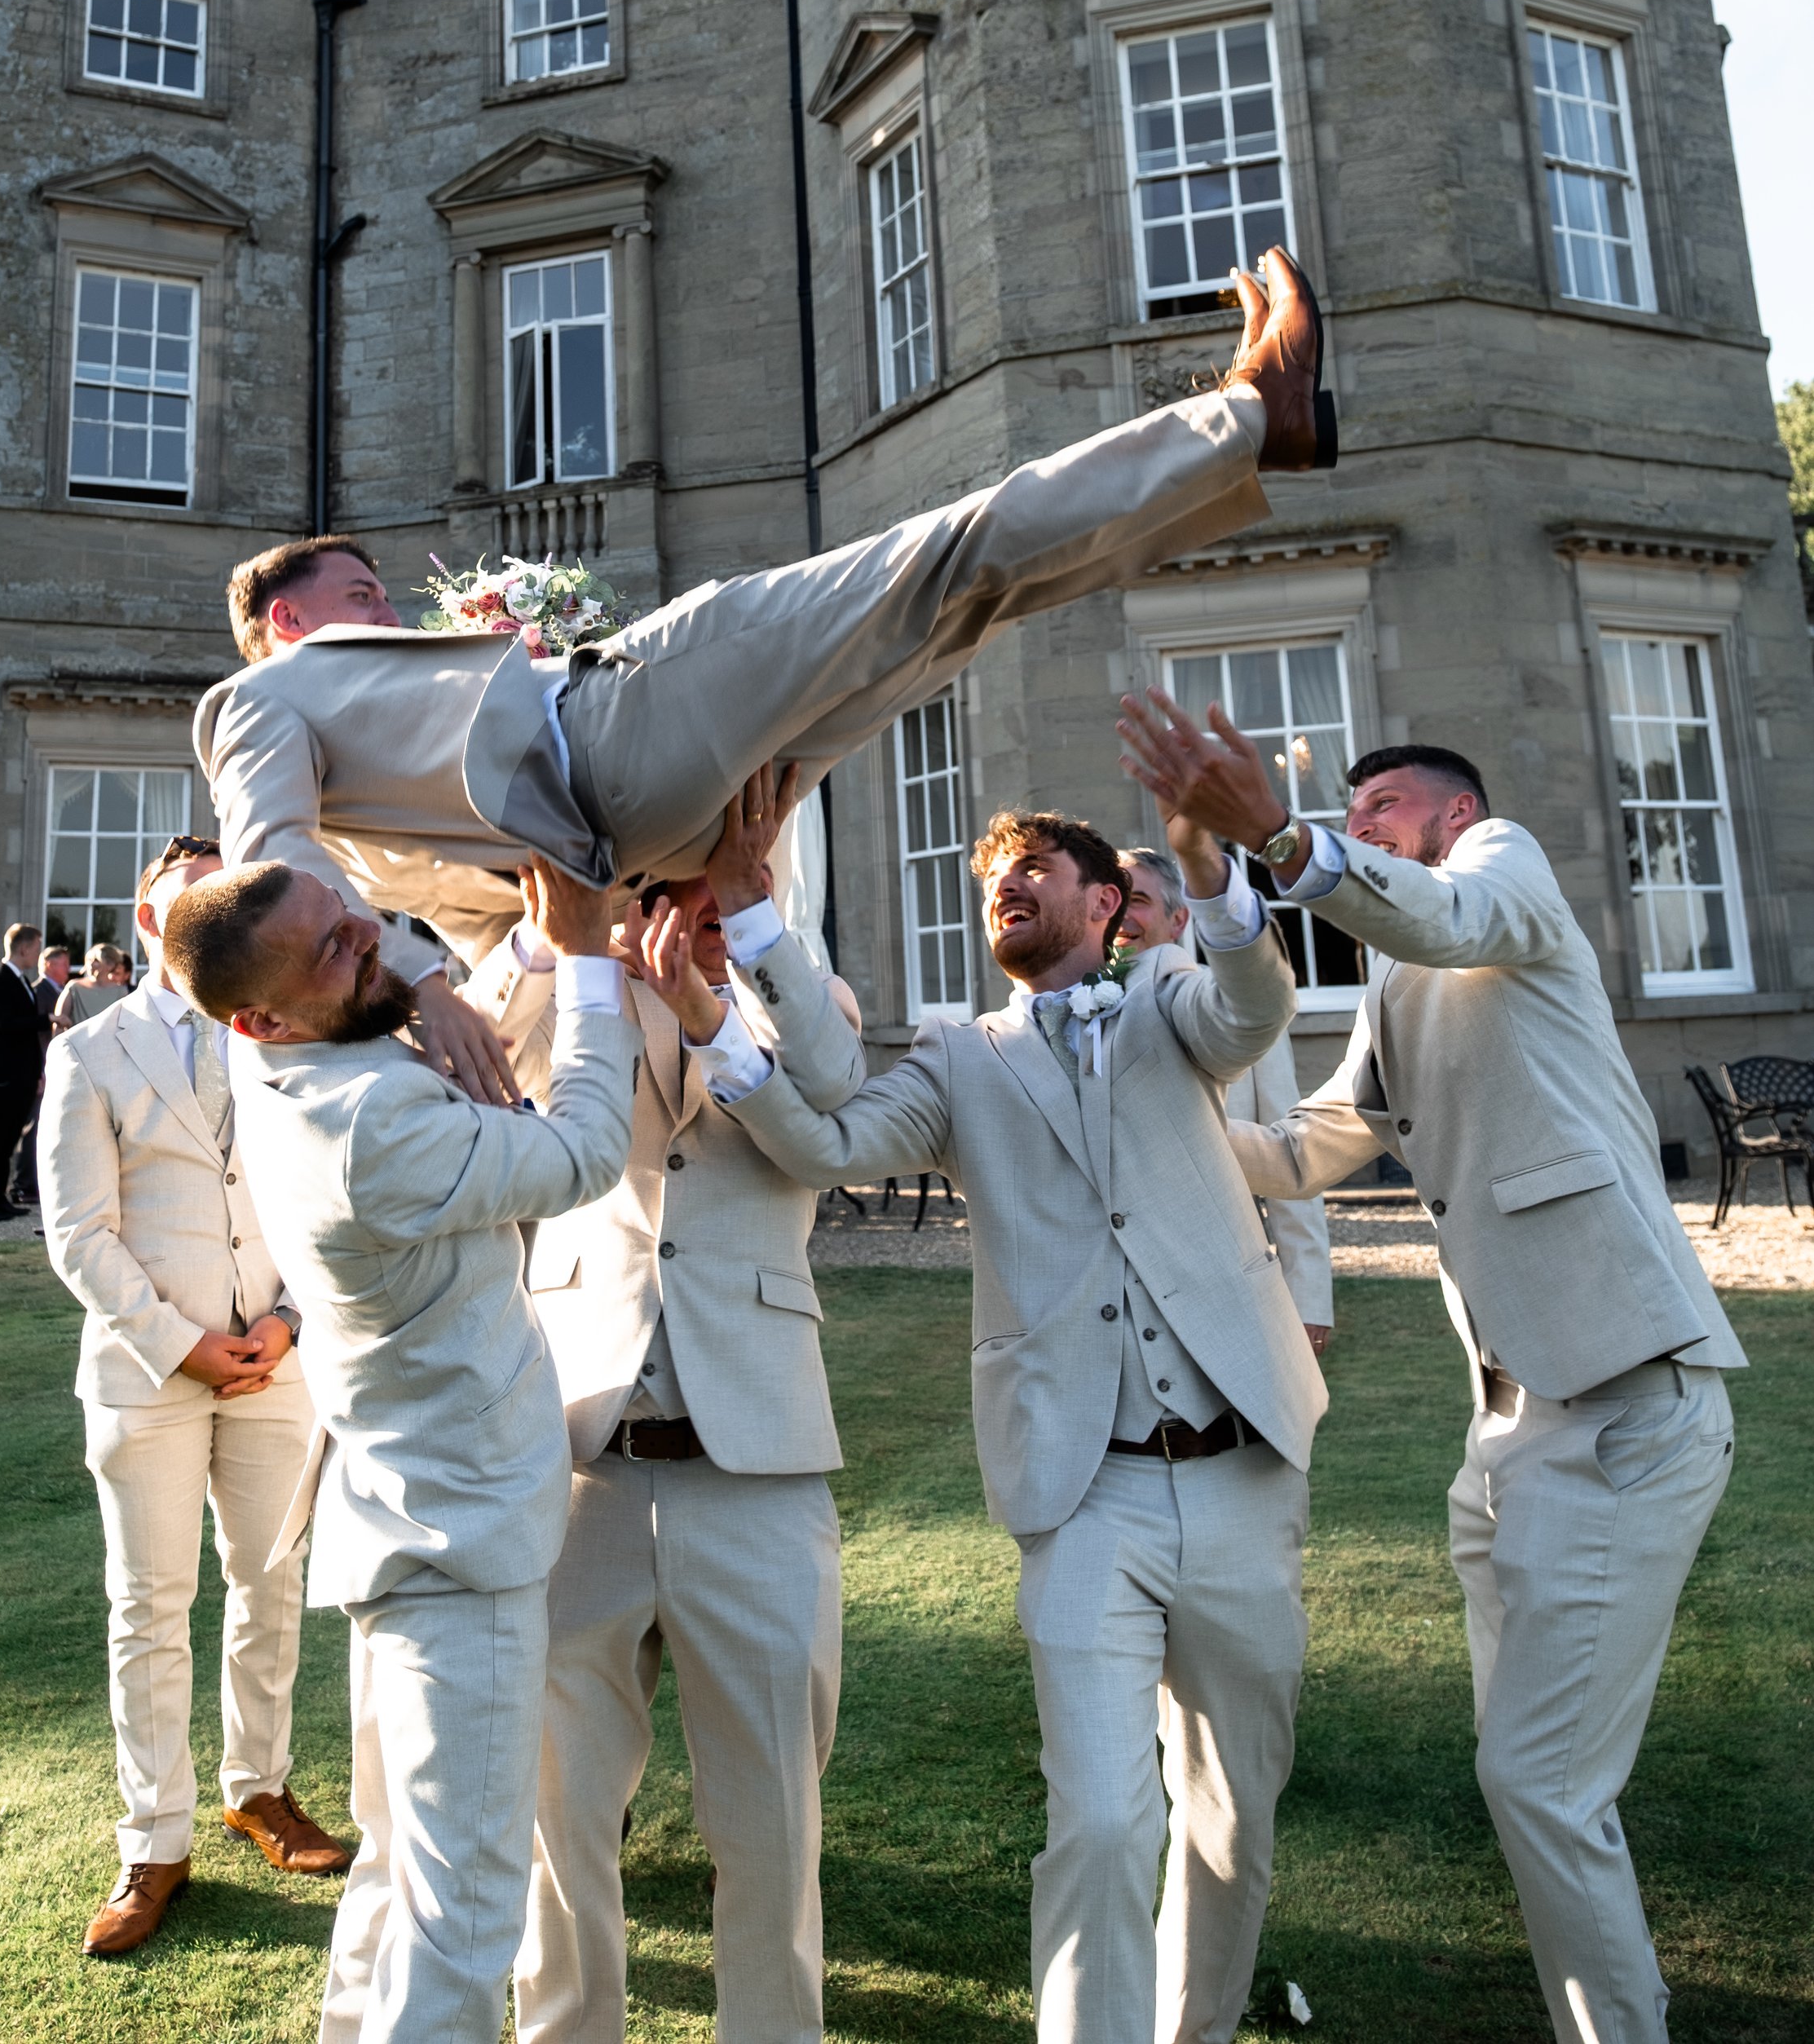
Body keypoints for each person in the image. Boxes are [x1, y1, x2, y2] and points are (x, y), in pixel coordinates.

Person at [198, 254, 1335, 1103]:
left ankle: (1241, 443)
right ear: (286, 619)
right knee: (936, 556)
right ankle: (1247, 413)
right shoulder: (258, 698)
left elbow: (503, 897)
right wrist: (412, 984)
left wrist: (675, 884)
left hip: (657, 826)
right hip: (616, 729)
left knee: (965, 604)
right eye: (361, 598)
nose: (388, 613)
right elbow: (266, 866)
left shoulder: (369, 828)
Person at [1116, 699, 1745, 2044]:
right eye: (1348, 820)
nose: (1359, 833)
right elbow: (1306, 1151)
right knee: (1543, 1780)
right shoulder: (1401, 980)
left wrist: (1278, 837)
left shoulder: (1503, 866)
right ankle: (1623, 1998)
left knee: (1538, 1782)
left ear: (1452, 813)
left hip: (1632, 1404)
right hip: (1507, 1440)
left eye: (1381, 810)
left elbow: (1440, 917)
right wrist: (1132, 1119)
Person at [704, 780, 1325, 2044]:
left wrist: (1211, 873)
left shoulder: (1173, 1003)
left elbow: (1255, 1002)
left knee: (1232, 1809)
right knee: (1099, 1816)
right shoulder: (957, 1053)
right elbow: (832, 1147)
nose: (1009, 882)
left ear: (1108, 903)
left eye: (1039, 865)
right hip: (1079, 1481)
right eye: (997, 873)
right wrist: (723, 1022)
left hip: (1238, 1466)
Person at [159, 854, 640, 2044]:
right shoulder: (372, 1122)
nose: (365, 939)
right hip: (461, 1551)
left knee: (394, 1883)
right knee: (464, 1922)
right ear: (262, 1015)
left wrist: (431, 973)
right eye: (332, 948)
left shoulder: (264, 1046)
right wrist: (582, 956)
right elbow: (580, 1153)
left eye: (350, 918)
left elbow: (334, 945)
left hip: (398, 1527)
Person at [461, 792, 862, 2044]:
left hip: (761, 1461)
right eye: (661, 873)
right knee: (557, 1817)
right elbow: (466, 1048)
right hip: (578, 1456)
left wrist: (742, 947)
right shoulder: (566, 1000)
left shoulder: (806, 995)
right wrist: (554, 930)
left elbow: (837, 1105)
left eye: (705, 875)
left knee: (774, 1821)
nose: (676, 895)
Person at [39, 836, 351, 1959]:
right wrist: (186, 1344)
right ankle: (153, 1838)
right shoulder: (89, 1048)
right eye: (187, 905)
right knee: (150, 1605)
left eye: (228, 905)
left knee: (271, 1586)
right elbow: (79, 1233)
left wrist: (286, 1324)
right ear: (146, 913)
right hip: (147, 1372)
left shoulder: (291, 1031)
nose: (206, 925)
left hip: (279, 1361)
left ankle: (257, 1788)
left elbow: (331, 1198)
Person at [1118, 840, 1333, 1354]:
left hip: (1223, 1286)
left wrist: (1307, 1298)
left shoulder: (1238, 1012)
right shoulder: (1066, 1018)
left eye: (1139, 900)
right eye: (1109, 900)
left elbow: (1288, 1151)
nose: (1122, 916)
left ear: (1178, 921)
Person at [0, 922, 47, 1220]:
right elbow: (8, 1025)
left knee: (7, 1141)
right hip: (5, 1074)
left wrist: (36, 1071)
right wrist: (47, 1019)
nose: (38, 955)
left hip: (21, 1075)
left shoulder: (21, 982)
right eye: (37, 948)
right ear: (24, 948)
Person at [10, 943, 73, 1209]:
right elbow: (34, 1037)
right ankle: (23, 1185)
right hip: (41, 1072)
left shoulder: (58, 991)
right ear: (49, 965)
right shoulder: (39, 992)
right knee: (33, 1128)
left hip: (53, 1070)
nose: (68, 969)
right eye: (63, 964)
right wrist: (40, 1072)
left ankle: (36, 1183)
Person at [53, 943, 130, 1032]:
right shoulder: (74, 987)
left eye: (96, 960)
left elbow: (126, 1024)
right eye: (89, 960)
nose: (91, 964)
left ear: (110, 964)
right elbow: (60, 1020)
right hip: (77, 1043)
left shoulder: (121, 992)